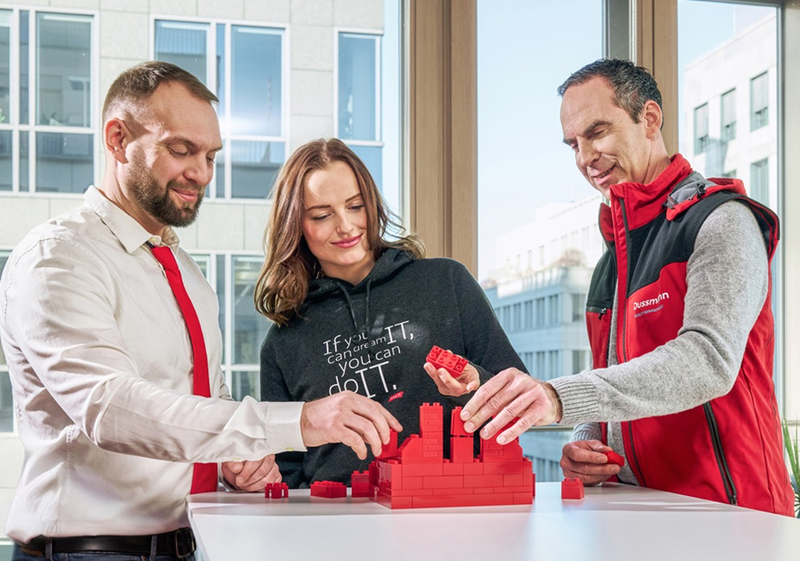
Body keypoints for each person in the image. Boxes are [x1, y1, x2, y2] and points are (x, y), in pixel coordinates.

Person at [0, 62, 401, 561]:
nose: (202, 173)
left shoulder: (186, 271)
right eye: (181, 150)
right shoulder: (59, 256)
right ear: (118, 139)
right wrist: (298, 421)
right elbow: (110, 407)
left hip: (187, 545)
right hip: (87, 552)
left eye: (210, 155)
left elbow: (204, 398)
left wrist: (234, 460)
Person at [459, 58, 794, 515]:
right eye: (573, 144)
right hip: (639, 509)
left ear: (649, 119)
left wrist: (558, 397)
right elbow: (613, 375)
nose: (584, 158)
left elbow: (708, 360)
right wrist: (587, 440)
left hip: (731, 512)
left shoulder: (721, 221)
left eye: (597, 132)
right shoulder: (613, 260)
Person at [255, 138, 526, 487]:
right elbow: (284, 470)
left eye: (355, 206)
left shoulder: (446, 282)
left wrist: (475, 384)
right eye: (322, 215)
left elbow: (520, 400)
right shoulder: (283, 341)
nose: (346, 226)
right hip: (336, 515)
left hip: (452, 503)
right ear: (296, 225)